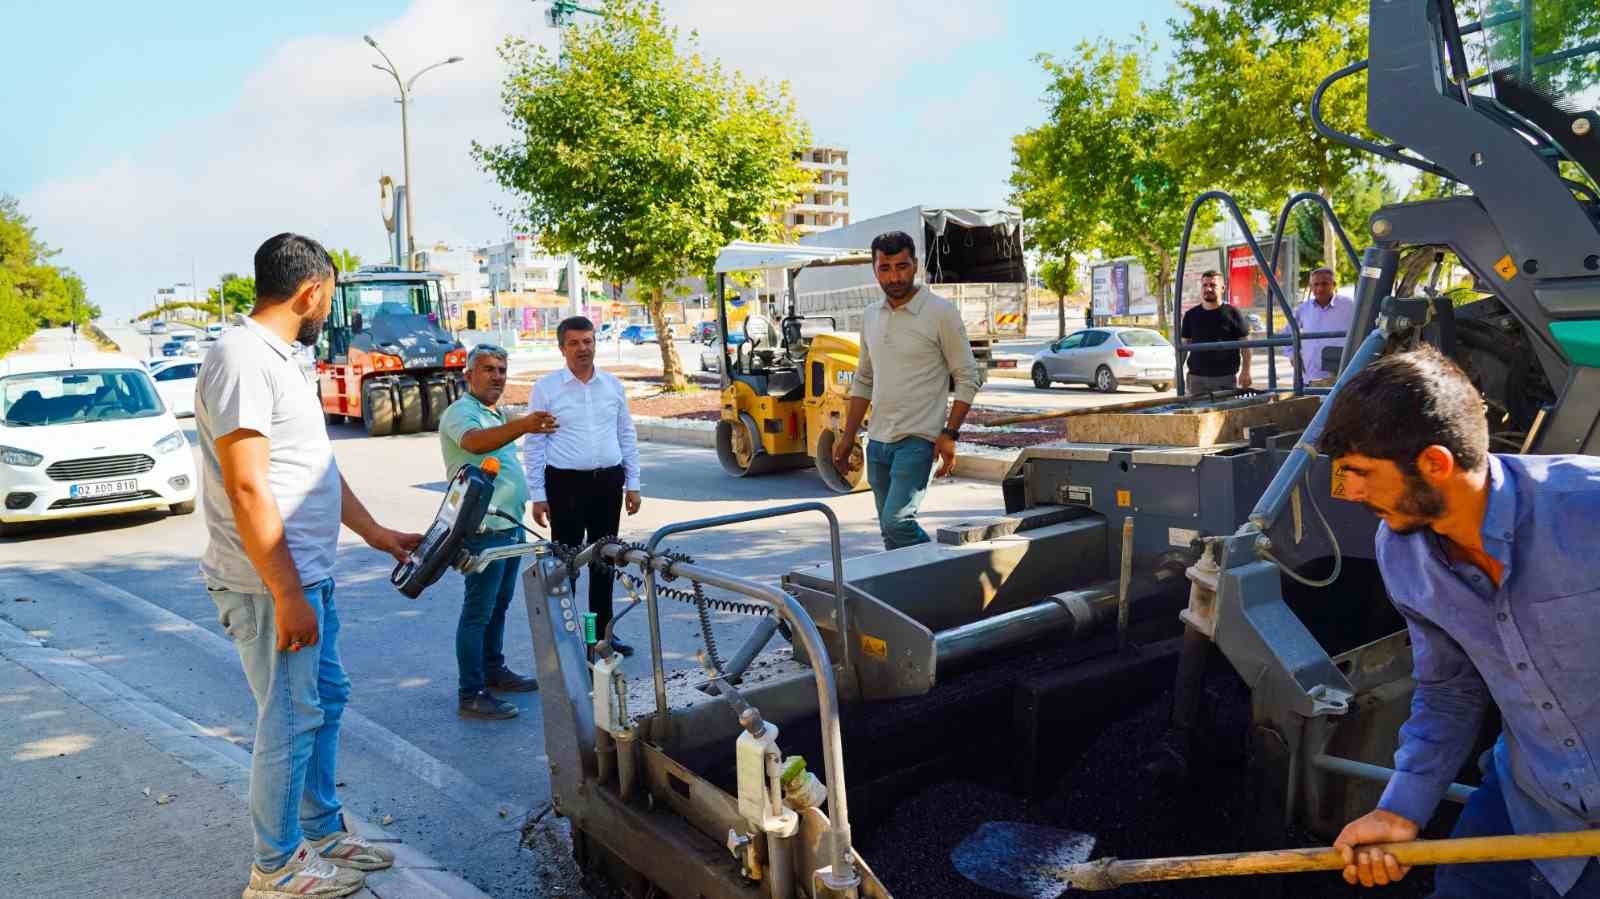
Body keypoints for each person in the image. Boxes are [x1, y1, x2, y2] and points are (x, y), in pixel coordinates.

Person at [1319, 346, 1600, 897]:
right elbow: (1449, 691)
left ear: (1435, 464)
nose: (1348, 492)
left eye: (1360, 473)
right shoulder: (1401, 552)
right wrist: (1401, 809)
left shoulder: (1588, 509)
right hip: (1533, 804)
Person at [196, 234, 423, 899]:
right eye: (331, 293)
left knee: (325, 699)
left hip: (307, 575)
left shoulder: (284, 359)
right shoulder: (241, 359)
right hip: (269, 584)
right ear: (313, 290)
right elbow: (246, 488)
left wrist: (377, 533)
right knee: (289, 716)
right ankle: (275, 866)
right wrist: (288, 592)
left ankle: (322, 831)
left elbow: (315, 468)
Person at [833, 230, 982, 550]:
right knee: (890, 533)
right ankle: (912, 596)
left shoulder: (940, 312)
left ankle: (947, 570)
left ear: (915, 265)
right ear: (874, 270)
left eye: (902, 266)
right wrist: (848, 438)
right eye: (885, 268)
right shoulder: (871, 315)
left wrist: (950, 434)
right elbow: (864, 380)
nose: (894, 276)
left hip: (918, 439)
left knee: (898, 523)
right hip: (878, 442)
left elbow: (968, 376)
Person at [438, 343, 558, 719]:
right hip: (482, 528)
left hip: (508, 525)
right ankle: (470, 692)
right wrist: (523, 424)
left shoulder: (495, 412)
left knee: (500, 605)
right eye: (488, 369)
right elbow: (474, 443)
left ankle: (493, 670)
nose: (497, 377)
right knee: (478, 610)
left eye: (502, 370)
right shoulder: (461, 413)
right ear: (468, 375)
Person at [525, 316, 642, 655]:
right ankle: (569, 638)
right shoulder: (546, 388)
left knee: (604, 562)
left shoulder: (612, 386)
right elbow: (535, 444)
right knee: (567, 565)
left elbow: (626, 435)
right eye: (574, 343)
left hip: (608, 482)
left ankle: (601, 636)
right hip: (565, 486)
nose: (582, 349)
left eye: (588, 341)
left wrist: (632, 484)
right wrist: (538, 495)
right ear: (562, 348)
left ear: (595, 343)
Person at [1179, 270, 1252, 394]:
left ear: (1222, 288)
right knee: (1196, 412)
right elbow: (1184, 346)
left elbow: (1246, 346)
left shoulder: (1233, 313)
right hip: (1196, 379)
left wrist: (1246, 371)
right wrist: (1178, 371)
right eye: (1205, 285)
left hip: (1225, 378)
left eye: (1213, 285)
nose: (1208, 289)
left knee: (1224, 413)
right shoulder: (1190, 315)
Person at [1286, 267, 1356, 384]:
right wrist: (1293, 356)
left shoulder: (1349, 306)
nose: (1320, 288)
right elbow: (1286, 333)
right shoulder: (1303, 309)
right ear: (1311, 286)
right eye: (1316, 284)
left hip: (1341, 375)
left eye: (1324, 284)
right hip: (1310, 376)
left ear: (1333, 284)